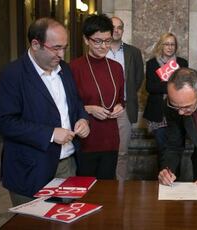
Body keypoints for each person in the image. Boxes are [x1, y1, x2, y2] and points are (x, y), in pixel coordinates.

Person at [0, 17, 90, 206]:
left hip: (67, 164)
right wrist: (51, 134)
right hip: (30, 169)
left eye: (65, 47)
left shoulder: (65, 69)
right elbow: (4, 122)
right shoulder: (12, 75)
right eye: (56, 48)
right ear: (35, 44)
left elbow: (76, 102)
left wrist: (83, 120)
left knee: (66, 219)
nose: (62, 54)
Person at [70, 14, 124, 179]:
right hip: (86, 139)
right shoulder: (73, 67)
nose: (103, 46)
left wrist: (120, 106)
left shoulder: (116, 67)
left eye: (107, 41)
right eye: (98, 41)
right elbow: (67, 105)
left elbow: (121, 98)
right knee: (86, 191)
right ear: (87, 40)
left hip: (111, 138)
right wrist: (89, 109)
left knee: (107, 189)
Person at [106, 16, 145, 181]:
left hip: (124, 108)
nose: (116, 30)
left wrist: (125, 97)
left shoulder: (133, 52)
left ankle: (120, 187)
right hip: (101, 109)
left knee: (122, 152)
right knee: (103, 151)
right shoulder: (100, 49)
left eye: (119, 27)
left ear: (123, 30)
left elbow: (137, 79)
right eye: (112, 27)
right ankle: (104, 185)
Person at [143, 32, 188, 155]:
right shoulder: (152, 64)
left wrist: (162, 85)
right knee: (162, 151)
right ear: (161, 46)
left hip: (178, 113)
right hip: (158, 114)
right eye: (166, 44)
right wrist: (172, 85)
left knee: (178, 150)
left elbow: (184, 86)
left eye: (172, 44)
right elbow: (150, 87)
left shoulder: (182, 63)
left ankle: (176, 175)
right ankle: (163, 174)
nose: (170, 47)